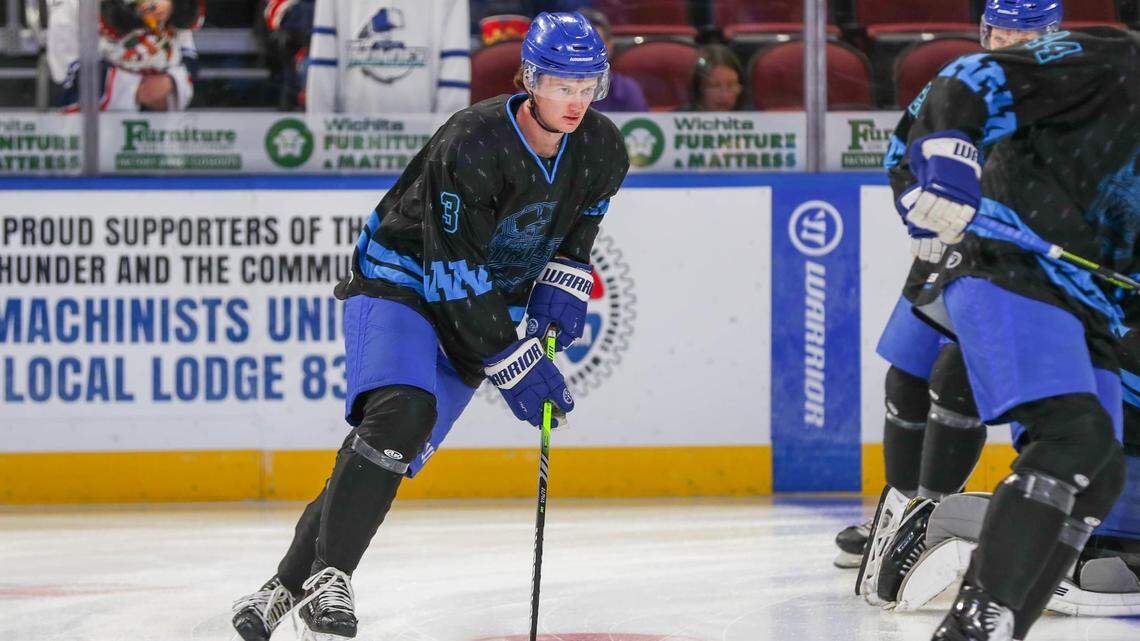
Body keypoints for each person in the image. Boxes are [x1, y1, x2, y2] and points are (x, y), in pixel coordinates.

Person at [230, 12, 629, 641]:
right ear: (530, 80)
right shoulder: (472, 141)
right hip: (403, 279)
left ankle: (283, 588)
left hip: (484, 302)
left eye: (588, 87)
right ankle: (333, 577)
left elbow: (581, 225)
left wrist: (566, 276)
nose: (576, 102)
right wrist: (514, 362)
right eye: (562, 86)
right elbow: (452, 272)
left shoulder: (603, 147)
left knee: (388, 449)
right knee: (402, 411)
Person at [892, 9, 1139, 640]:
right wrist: (948, 170)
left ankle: (999, 626)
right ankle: (970, 627)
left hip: (1089, 299)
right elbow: (966, 80)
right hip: (1012, 263)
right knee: (1074, 439)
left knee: (1100, 472)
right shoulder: (1112, 59)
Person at [305, 0, 471, 113]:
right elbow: (323, 61)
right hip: (350, 135)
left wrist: (446, 139)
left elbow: (455, 65)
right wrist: (320, 129)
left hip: (423, 138)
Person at [47, 0, 203, 111]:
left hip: (160, 126)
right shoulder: (69, 9)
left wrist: (172, 82)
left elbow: (188, 56)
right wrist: (136, 90)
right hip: (95, 126)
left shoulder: (166, 6)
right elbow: (67, 76)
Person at [577, 8, 648, 112]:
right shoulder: (554, 88)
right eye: (581, 45)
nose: (588, 53)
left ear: (609, 47)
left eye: (596, 45)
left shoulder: (628, 90)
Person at [680, 44, 744, 112]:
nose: (724, 96)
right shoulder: (677, 117)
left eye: (731, 86)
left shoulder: (750, 115)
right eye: (715, 86)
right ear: (698, 88)